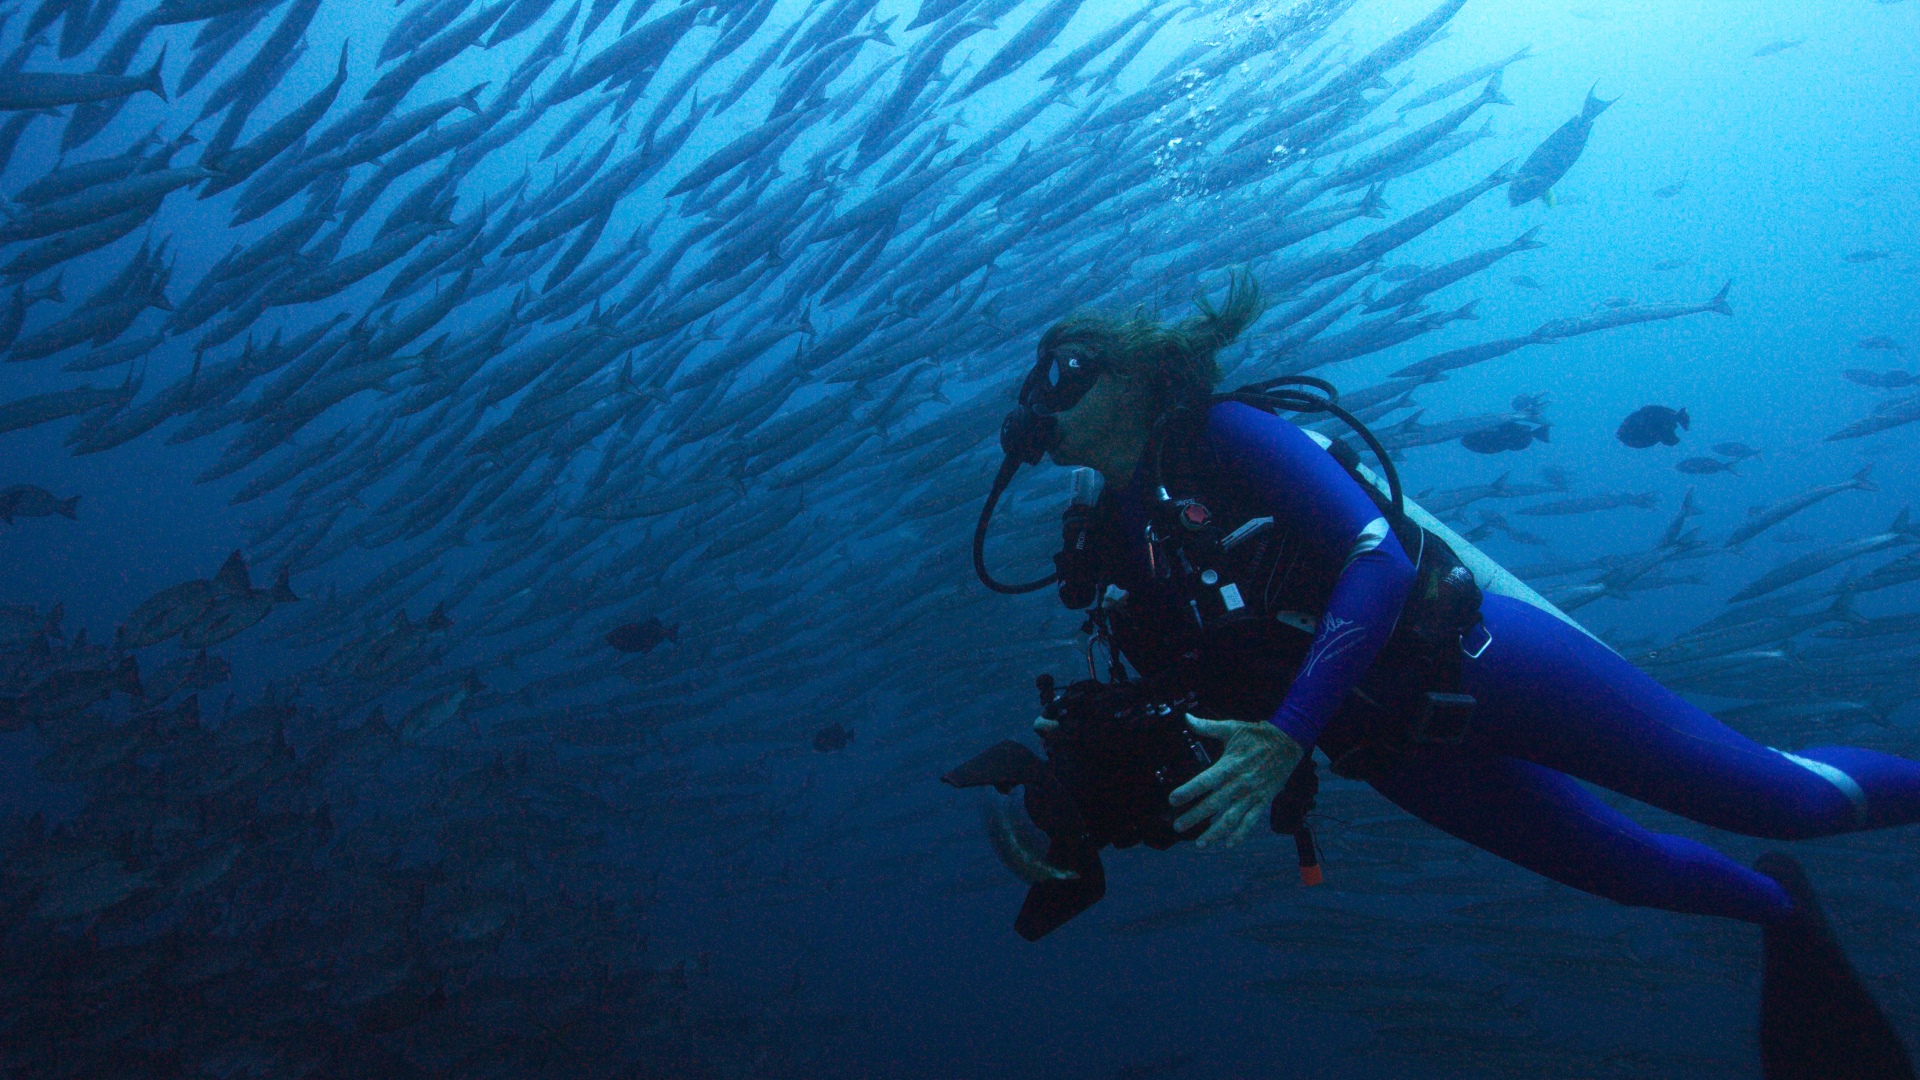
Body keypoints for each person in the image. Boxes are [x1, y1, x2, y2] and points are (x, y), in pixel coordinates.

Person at [975, 274, 1916, 1078]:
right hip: (1389, 746)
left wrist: (1290, 731)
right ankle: (1785, 915)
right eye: (1036, 382)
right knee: (1628, 872)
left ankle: (1811, 834)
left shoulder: (1224, 437)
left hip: (1481, 663)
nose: (1042, 400)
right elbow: (1187, 694)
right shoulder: (1109, 539)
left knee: (1783, 800)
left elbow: (1376, 556)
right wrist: (1078, 798)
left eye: (1066, 373)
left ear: (1137, 374)